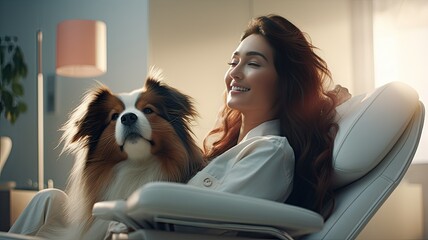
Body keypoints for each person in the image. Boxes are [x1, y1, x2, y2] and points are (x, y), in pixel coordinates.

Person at [8, 14, 351, 238]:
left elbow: (206, 221)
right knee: (48, 199)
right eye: (233, 62)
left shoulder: (270, 152)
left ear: (285, 81)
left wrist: (127, 215)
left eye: (253, 63)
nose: (235, 72)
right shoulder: (230, 151)